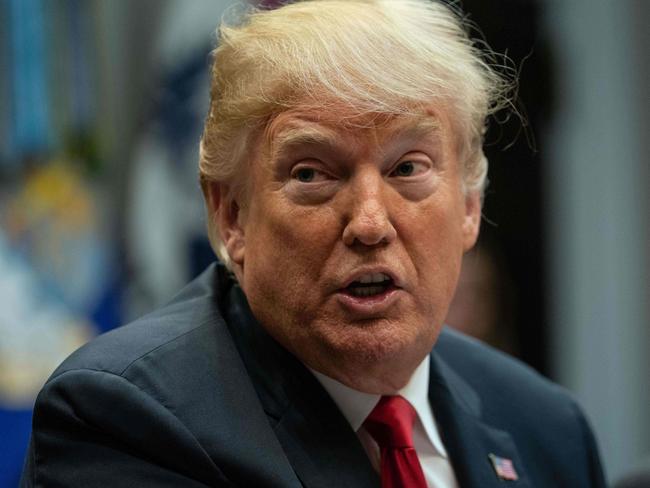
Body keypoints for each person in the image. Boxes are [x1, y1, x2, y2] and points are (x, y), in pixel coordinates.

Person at [21, 1, 607, 486]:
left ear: (470, 206)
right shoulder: (124, 419)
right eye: (312, 175)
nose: (371, 223)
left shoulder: (546, 429)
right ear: (231, 215)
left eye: (408, 168)